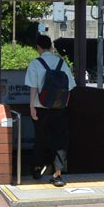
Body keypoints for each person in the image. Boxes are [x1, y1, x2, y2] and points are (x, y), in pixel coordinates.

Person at [25, 34, 76, 187]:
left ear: (38, 48)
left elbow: (33, 87)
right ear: (51, 47)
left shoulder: (35, 63)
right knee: (60, 140)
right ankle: (57, 174)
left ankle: (36, 168)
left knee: (41, 138)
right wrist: (64, 103)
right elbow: (70, 86)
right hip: (59, 108)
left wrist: (32, 107)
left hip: (41, 108)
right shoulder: (61, 63)